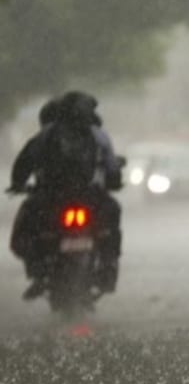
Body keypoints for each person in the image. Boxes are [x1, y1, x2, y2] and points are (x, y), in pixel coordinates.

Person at [9, 92, 123, 299]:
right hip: (89, 197)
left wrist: (18, 184)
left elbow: (23, 162)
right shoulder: (98, 135)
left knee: (29, 225)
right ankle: (108, 267)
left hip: (51, 198)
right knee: (112, 215)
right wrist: (114, 182)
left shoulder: (44, 135)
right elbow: (112, 167)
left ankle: (38, 272)